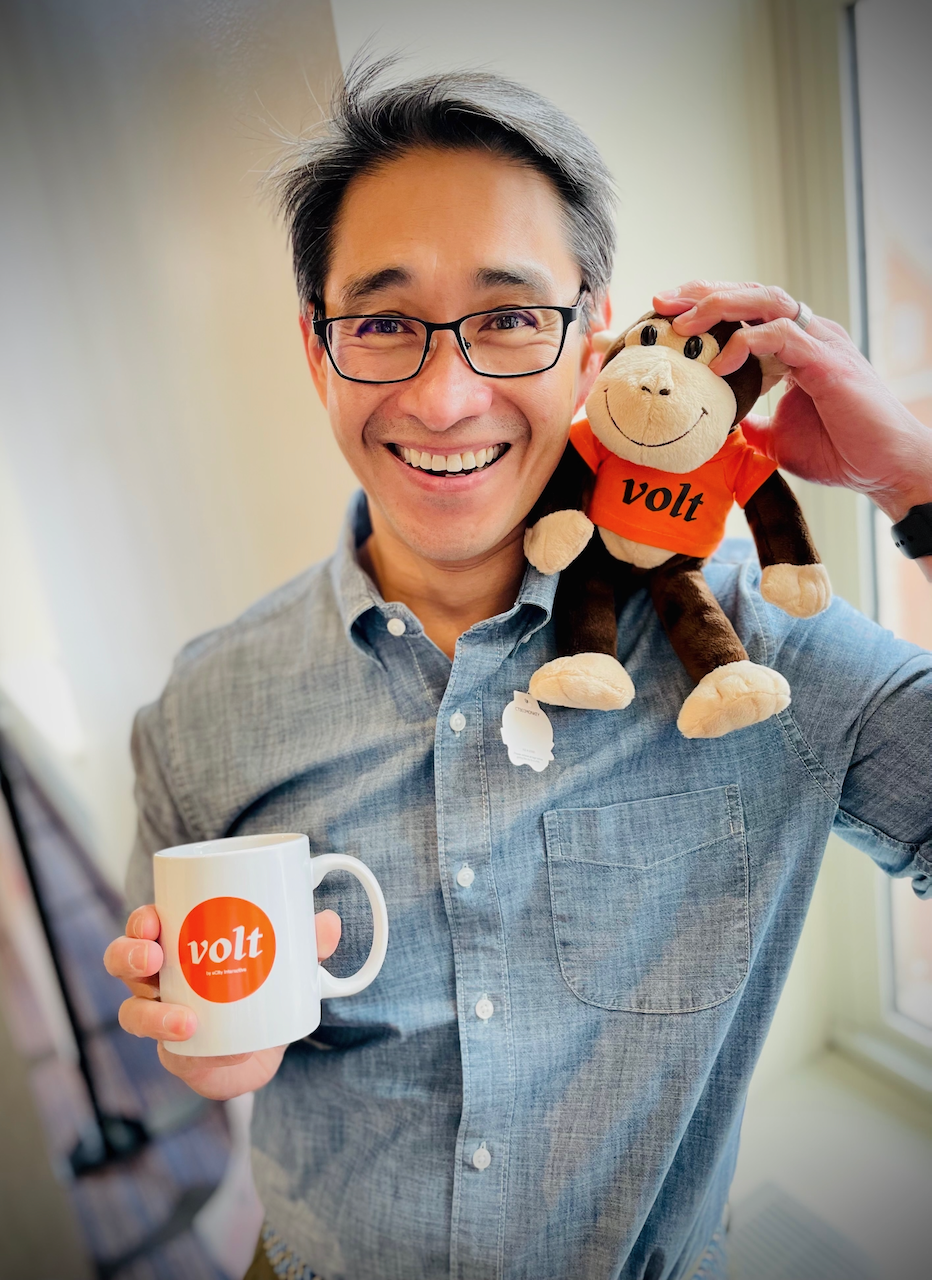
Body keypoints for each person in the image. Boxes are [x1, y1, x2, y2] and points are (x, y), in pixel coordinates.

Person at [104, 64, 932, 1280]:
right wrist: (197, 1047)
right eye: (381, 323)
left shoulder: (751, 651)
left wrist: (909, 476)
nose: (445, 398)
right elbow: (183, 1019)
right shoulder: (201, 710)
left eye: (506, 318)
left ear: (591, 340)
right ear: (317, 353)